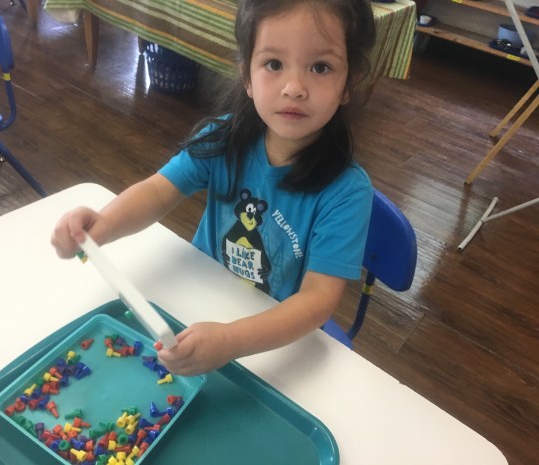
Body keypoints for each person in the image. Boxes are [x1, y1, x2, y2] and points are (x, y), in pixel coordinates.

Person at [52, 0, 376, 376]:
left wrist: (232, 340)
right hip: (199, 302)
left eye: (320, 67)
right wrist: (104, 224)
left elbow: (318, 300)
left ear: (349, 83)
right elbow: (158, 191)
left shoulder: (348, 193)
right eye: (274, 64)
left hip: (269, 337)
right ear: (247, 76)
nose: (294, 88)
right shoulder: (222, 139)